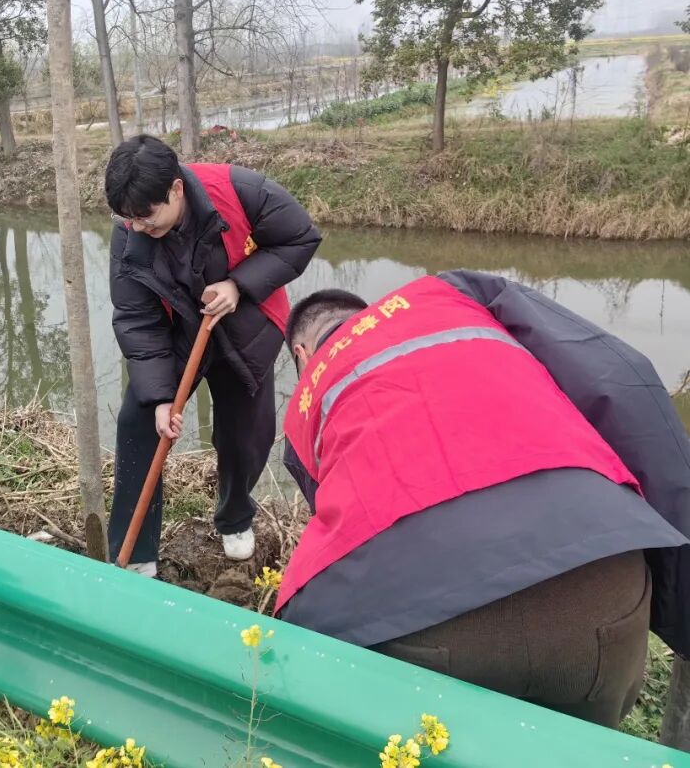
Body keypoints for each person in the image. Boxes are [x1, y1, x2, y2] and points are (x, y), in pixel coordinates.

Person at [277, 270, 690, 727]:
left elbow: (341, 545)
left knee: (435, 745)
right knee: (575, 752)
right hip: (605, 593)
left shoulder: (305, 403)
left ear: (302, 354)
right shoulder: (451, 294)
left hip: (427, 626)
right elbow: (618, 383)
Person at [106, 134, 320, 575]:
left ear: (176, 189)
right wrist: (160, 398)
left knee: (246, 433)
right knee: (139, 422)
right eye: (130, 219)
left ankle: (235, 517)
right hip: (175, 333)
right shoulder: (129, 231)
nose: (139, 228)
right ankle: (136, 552)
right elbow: (137, 318)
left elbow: (299, 238)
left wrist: (239, 284)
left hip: (244, 323)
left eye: (148, 217)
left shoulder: (240, 191)